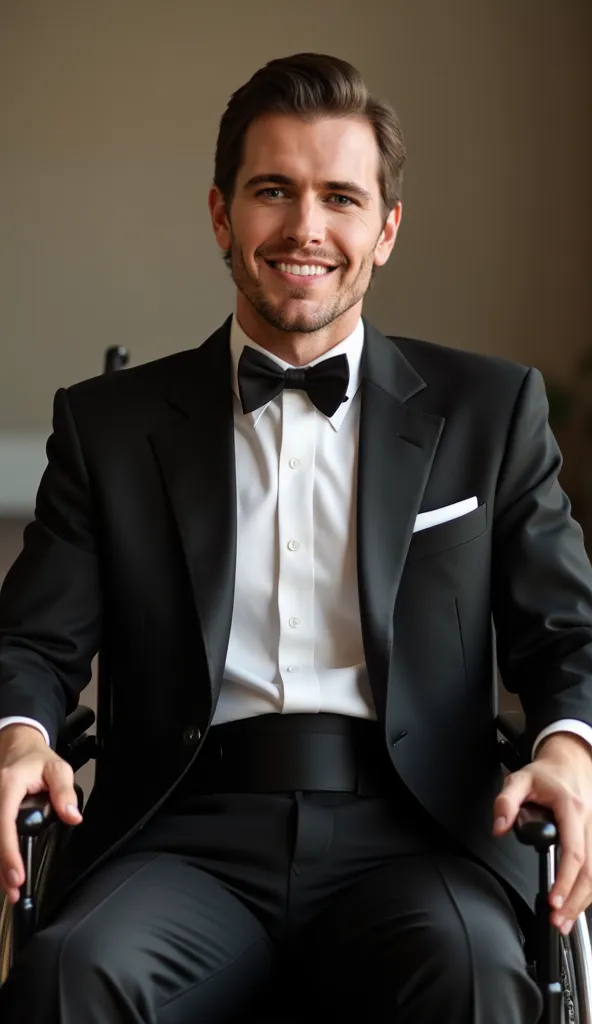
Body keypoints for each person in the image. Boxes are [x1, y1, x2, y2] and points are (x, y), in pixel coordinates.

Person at [0, 51, 592, 1024]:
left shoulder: (492, 411)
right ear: (221, 214)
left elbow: (566, 632)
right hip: (182, 832)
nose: (305, 228)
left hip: (418, 833)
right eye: (272, 190)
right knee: (72, 974)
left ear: (386, 228)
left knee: (477, 978)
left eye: (341, 197)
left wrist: (568, 750)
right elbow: (32, 640)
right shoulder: (107, 426)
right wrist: (19, 736)